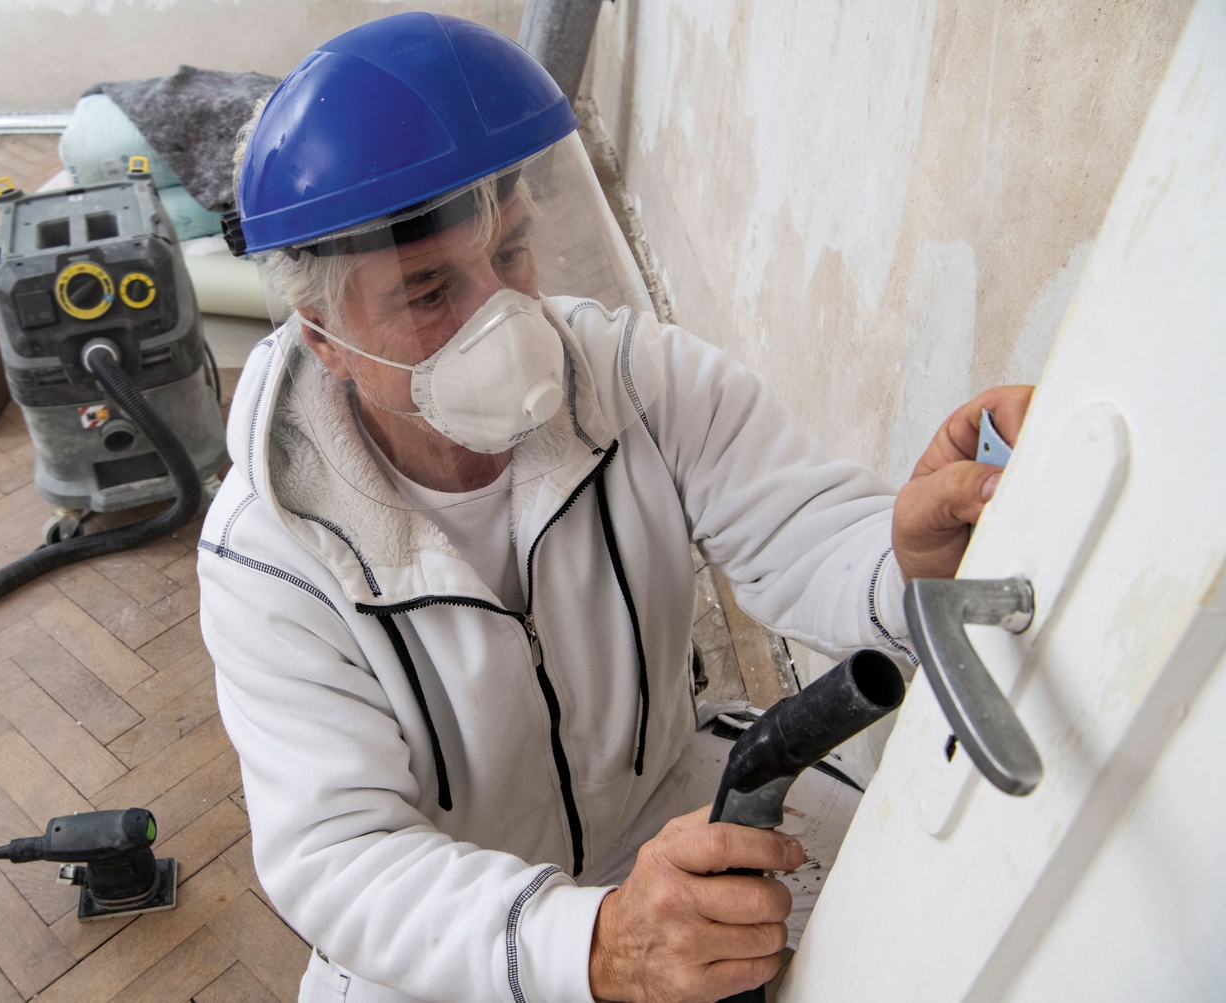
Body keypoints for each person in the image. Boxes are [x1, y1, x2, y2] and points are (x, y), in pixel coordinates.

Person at [198, 13, 1031, 1003]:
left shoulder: (638, 379)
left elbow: (805, 539)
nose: (500, 321)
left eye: (509, 255)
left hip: (667, 813)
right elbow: (342, 855)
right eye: (428, 292)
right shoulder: (274, 552)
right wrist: (586, 943)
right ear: (325, 337)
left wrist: (905, 548)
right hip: (449, 936)